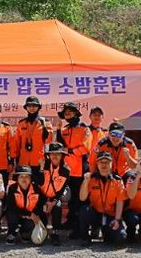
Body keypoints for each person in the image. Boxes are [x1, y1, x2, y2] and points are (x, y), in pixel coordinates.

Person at [55, 102, 92, 239]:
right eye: (65, 112)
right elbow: (59, 147)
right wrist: (57, 130)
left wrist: (69, 151)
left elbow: (85, 148)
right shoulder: (64, 130)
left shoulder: (84, 129)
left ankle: (80, 228)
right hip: (66, 170)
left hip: (80, 170)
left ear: (76, 113)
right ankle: (70, 222)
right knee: (70, 200)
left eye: (70, 111)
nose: (68, 114)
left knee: (80, 200)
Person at [79, 151, 127, 246]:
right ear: (97, 164)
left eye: (107, 162)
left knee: (120, 238)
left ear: (111, 164)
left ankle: (105, 231)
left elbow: (120, 201)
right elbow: (82, 198)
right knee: (84, 210)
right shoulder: (91, 179)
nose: (104, 165)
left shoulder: (118, 181)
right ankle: (85, 237)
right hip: (95, 214)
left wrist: (117, 220)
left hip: (110, 215)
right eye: (101, 162)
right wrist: (85, 182)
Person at [36, 142, 71, 246]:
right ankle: (42, 229)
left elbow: (62, 189)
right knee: (40, 209)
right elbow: (39, 183)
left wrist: (53, 202)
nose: (55, 156)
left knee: (57, 207)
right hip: (42, 196)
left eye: (58, 154)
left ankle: (55, 232)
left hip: (55, 197)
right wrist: (41, 169)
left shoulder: (66, 171)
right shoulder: (44, 165)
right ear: (49, 155)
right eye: (52, 154)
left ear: (62, 156)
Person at [13, 96, 52, 185]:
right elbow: (16, 143)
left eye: (34, 105)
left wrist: (45, 130)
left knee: (39, 186)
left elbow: (48, 141)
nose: (32, 108)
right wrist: (14, 160)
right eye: (29, 106)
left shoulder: (45, 123)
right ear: (26, 108)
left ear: (38, 107)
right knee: (23, 186)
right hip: (23, 161)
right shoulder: (21, 123)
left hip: (39, 162)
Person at [4, 165, 43, 245]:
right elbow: (11, 206)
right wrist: (28, 213)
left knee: (31, 224)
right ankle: (11, 233)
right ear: (17, 178)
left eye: (27, 177)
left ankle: (23, 232)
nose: (24, 179)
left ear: (31, 179)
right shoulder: (12, 188)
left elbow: (40, 204)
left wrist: (35, 214)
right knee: (11, 214)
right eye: (21, 176)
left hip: (29, 217)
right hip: (17, 214)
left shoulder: (37, 189)